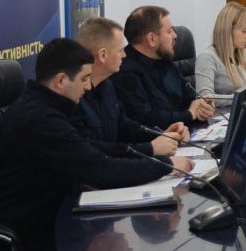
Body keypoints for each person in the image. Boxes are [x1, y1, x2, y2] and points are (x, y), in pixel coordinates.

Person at [0, 38, 191, 251]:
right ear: (61, 80)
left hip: (56, 212)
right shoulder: (42, 120)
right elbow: (100, 170)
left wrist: (152, 152)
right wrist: (166, 165)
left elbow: (91, 151)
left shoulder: (48, 106)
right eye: (84, 79)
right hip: (33, 236)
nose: (87, 87)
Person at [77, 17, 189, 156]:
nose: (124, 55)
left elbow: (125, 127)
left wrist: (162, 135)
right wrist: (150, 148)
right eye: (120, 50)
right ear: (103, 55)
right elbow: (92, 150)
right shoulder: (75, 97)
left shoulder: (107, 85)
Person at [115, 5, 216, 127]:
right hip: (159, 137)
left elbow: (188, 95)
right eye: (169, 31)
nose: (175, 35)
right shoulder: (125, 72)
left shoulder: (163, 60)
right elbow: (145, 119)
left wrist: (203, 105)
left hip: (185, 131)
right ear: (151, 39)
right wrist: (190, 114)